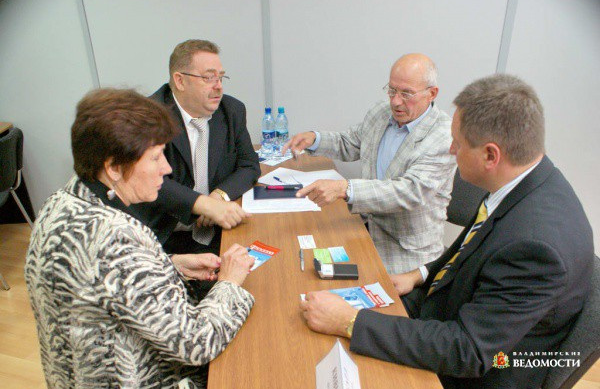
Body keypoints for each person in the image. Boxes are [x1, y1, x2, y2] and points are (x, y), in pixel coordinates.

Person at [300, 75, 594, 389]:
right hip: (449, 315)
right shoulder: (523, 180)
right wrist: (419, 274)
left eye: (458, 143)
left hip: (472, 372)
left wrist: (350, 322)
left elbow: (467, 351)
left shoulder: (535, 246)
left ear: (490, 156)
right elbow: (472, 250)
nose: (450, 150)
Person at [25, 89, 256, 389]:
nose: (167, 169)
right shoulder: (115, 238)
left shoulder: (59, 203)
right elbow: (196, 343)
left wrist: (168, 265)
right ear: (114, 167)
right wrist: (229, 283)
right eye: (156, 157)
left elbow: (102, 281)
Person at [283, 53, 455, 275]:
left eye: (406, 94)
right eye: (392, 90)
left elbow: (409, 191)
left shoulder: (443, 136)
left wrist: (346, 189)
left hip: (405, 252)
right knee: (300, 258)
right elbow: (350, 142)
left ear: (432, 93)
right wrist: (314, 139)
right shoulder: (381, 113)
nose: (395, 101)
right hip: (365, 228)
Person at [133, 39, 260, 255]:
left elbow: (249, 165)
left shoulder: (232, 110)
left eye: (221, 77)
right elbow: (149, 180)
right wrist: (201, 205)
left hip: (220, 230)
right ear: (180, 81)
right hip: (165, 236)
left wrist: (218, 197)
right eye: (209, 78)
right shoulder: (148, 116)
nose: (218, 86)